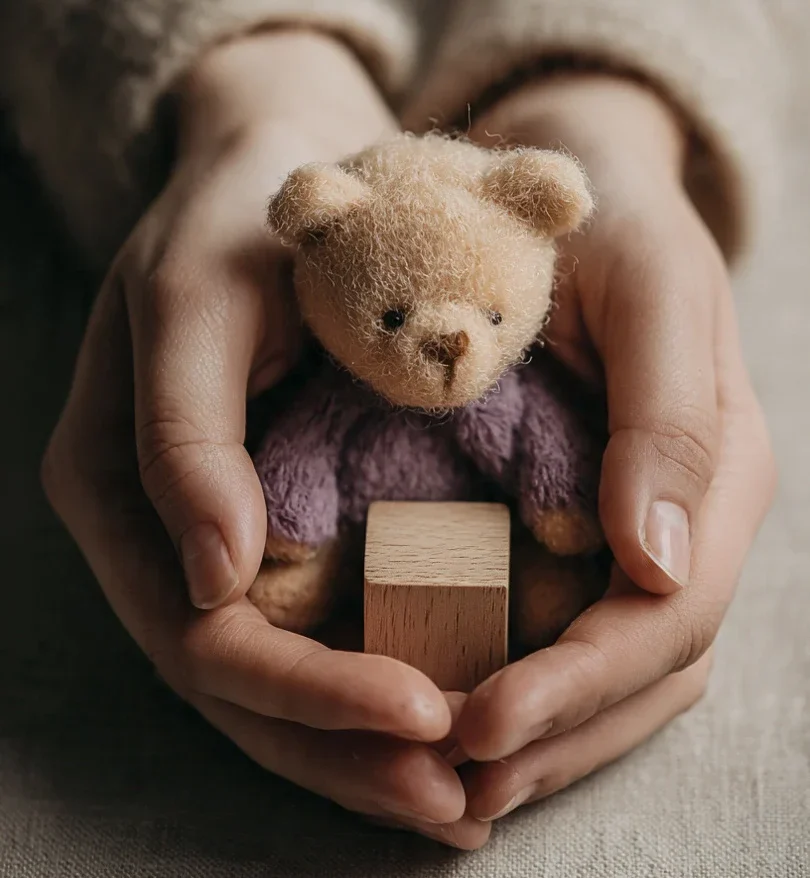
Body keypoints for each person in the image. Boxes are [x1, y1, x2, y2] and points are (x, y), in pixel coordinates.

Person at [1, 0, 790, 850]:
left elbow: (542, 455)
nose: (451, 345)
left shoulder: (514, 392)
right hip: (358, 529)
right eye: (392, 317)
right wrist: (250, 85)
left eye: (490, 316)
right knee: (288, 568)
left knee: (555, 575)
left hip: (493, 531)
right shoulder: (333, 391)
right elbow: (305, 461)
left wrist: (614, 92)